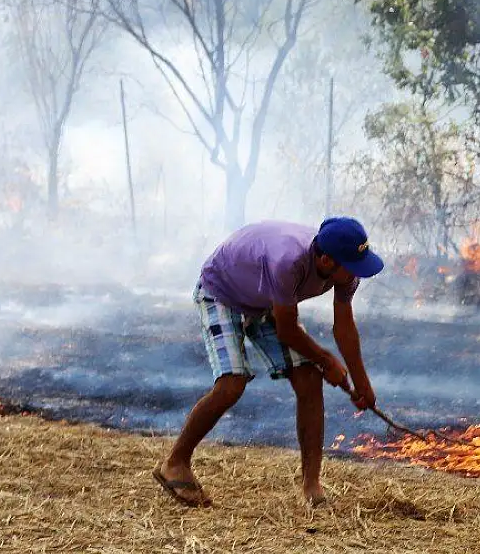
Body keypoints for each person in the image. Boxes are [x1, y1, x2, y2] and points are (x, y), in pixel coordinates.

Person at [152, 217, 384, 508]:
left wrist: (362, 383)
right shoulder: (288, 263)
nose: (356, 274)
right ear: (326, 260)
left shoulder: (346, 270)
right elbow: (287, 330)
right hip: (221, 292)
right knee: (232, 384)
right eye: (352, 266)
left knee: (308, 378)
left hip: (264, 299)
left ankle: (312, 486)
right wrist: (326, 360)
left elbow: (344, 327)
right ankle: (175, 463)